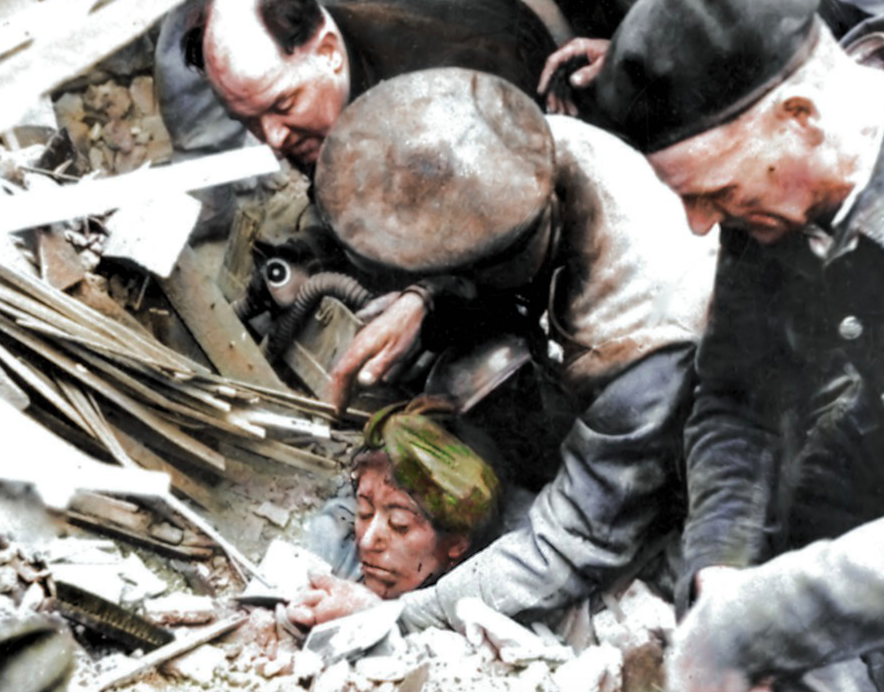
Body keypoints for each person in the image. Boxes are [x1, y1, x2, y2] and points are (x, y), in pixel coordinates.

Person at [287, 67, 718, 630]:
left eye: (453, 272)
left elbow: (568, 545)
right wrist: (422, 297)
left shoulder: (634, 342)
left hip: (714, 449)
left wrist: (398, 615)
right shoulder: (519, 145)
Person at [588, 0, 884, 687]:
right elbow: (738, 399)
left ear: (800, 119)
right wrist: (722, 570)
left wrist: (757, 621)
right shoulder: (770, 203)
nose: (698, 226)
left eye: (714, 191)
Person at [155, 0, 556, 172]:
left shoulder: (456, 84)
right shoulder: (319, 75)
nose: (272, 140)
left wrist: (425, 296)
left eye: (283, 104)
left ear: (328, 51)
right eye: (247, 120)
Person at [288, 398, 506, 625]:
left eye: (399, 524)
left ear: (455, 544)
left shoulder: (479, 614)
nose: (367, 542)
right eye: (364, 512)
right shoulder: (333, 540)